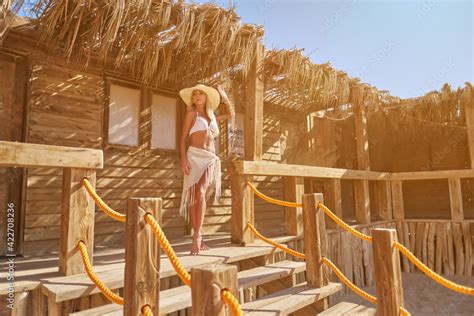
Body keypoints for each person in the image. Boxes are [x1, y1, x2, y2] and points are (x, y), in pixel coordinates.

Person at [178, 83, 234, 256]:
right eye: (194, 95)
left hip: (210, 159)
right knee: (194, 197)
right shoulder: (191, 114)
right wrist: (183, 160)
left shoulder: (212, 116)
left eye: (200, 94)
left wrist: (224, 97)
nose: (197, 97)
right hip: (194, 156)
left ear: (206, 97)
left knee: (201, 193)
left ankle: (197, 236)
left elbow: (231, 115)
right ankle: (198, 234)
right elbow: (182, 139)